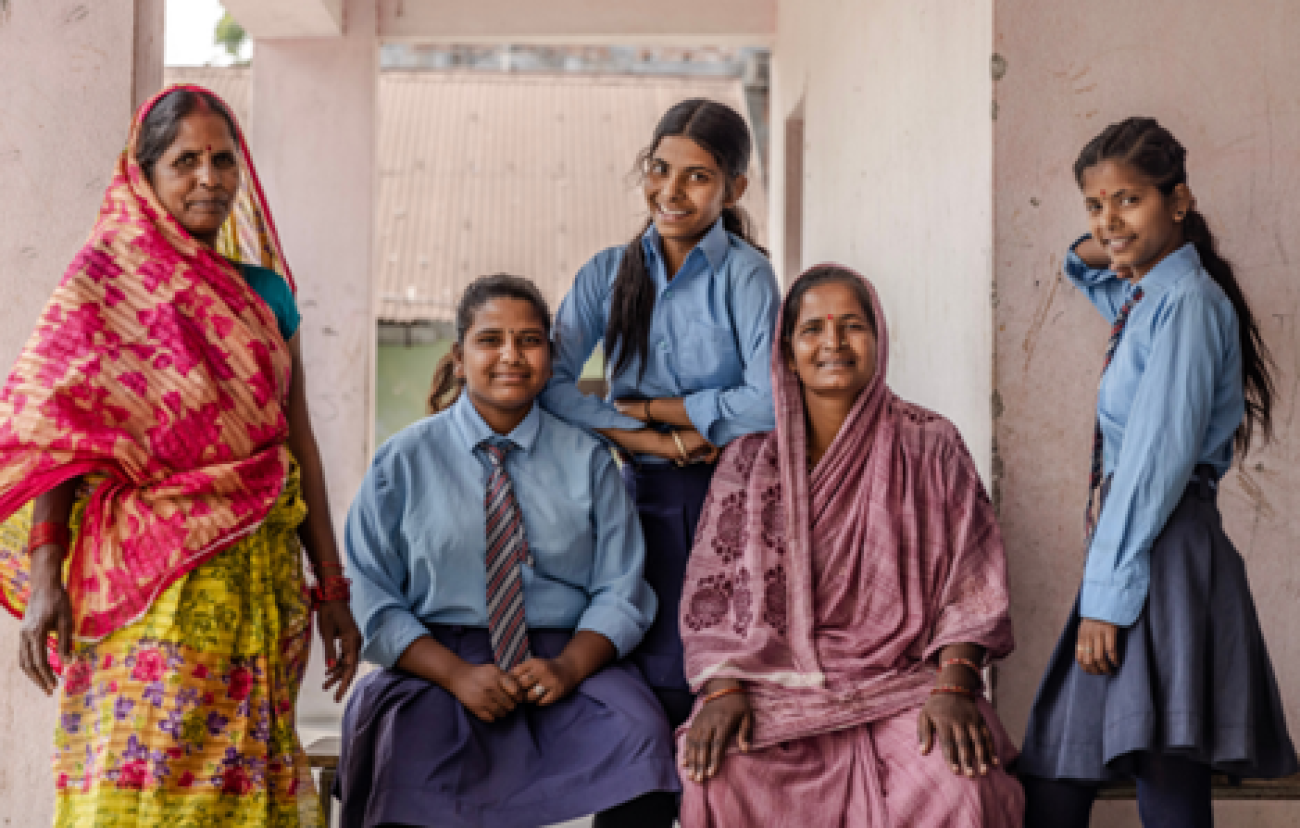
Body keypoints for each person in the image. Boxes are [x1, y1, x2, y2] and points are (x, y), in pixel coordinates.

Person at [0, 85, 360, 826]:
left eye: (224, 160)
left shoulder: (266, 297)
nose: (210, 178)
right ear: (145, 173)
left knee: (244, 783)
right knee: (140, 781)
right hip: (143, 597)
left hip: (257, 589)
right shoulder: (100, 286)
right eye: (186, 160)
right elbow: (55, 436)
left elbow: (300, 446)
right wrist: (45, 577)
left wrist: (330, 586)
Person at [1017, 117, 1298, 827]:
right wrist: (1117, 236)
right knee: (1062, 765)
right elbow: (1078, 265)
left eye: (1130, 200)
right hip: (1141, 549)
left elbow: (1152, 464)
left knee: (1162, 777)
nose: (1108, 219)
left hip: (1163, 555)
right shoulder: (1144, 296)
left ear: (1180, 202)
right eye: (1094, 203)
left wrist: (1107, 599)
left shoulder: (1189, 306)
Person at [676, 264, 1024, 826]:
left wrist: (956, 685)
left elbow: (973, 580)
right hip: (780, 689)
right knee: (722, 775)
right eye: (813, 329)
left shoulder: (930, 444)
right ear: (787, 352)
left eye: (852, 326)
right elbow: (710, 601)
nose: (833, 342)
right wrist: (722, 691)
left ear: (878, 340)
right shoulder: (748, 461)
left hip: (908, 685)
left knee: (960, 783)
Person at [336, 274, 679, 828]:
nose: (511, 357)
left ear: (549, 354)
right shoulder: (401, 462)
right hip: (438, 661)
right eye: (491, 339)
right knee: (397, 746)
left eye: (530, 340)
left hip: (565, 660)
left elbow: (620, 588)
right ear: (459, 354)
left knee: (640, 736)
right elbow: (371, 593)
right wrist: (456, 675)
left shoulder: (589, 460)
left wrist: (568, 667)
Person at [540, 97, 779, 825]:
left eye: (698, 177)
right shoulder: (608, 275)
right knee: (634, 692)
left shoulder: (746, 276)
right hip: (633, 500)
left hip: (733, 501)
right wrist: (653, 440)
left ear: (734, 189)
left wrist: (652, 409)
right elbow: (550, 387)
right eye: (660, 169)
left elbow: (768, 405)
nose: (671, 192)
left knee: (717, 690)